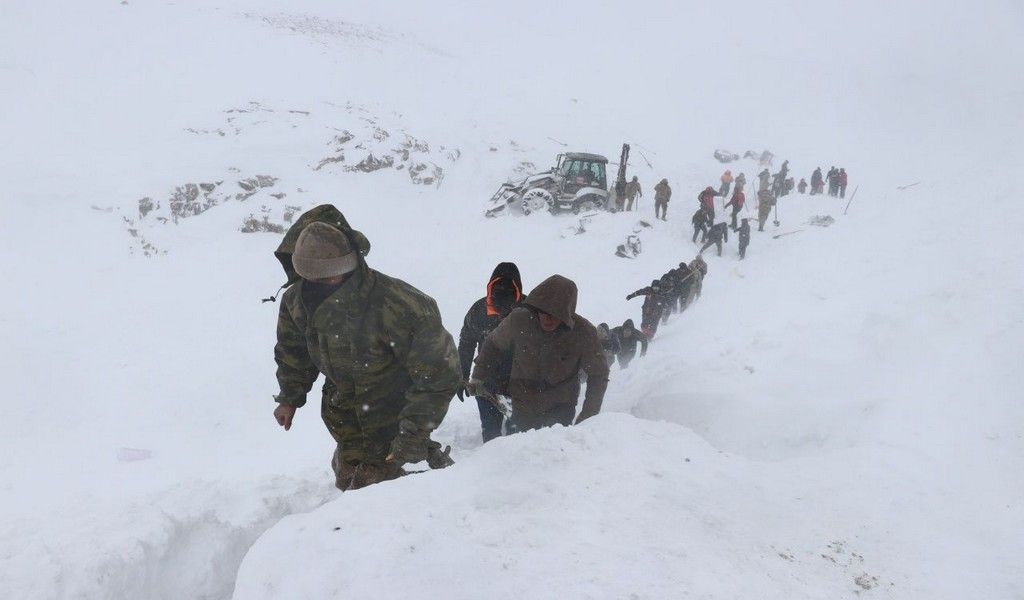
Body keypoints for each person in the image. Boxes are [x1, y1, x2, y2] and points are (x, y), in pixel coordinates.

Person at [272, 210, 461, 491]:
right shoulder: (296, 301)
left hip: (398, 426)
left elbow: (439, 376)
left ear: (351, 264)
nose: (321, 286)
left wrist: (412, 436)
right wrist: (290, 397)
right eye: (312, 278)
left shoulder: (401, 305)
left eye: (331, 277)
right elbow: (294, 352)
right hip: (345, 423)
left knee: (403, 504)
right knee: (352, 490)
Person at [466, 275, 609, 431]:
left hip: (561, 406)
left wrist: (588, 417)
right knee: (521, 449)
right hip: (523, 403)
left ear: (565, 314)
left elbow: (599, 373)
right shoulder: (519, 319)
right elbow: (493, 345)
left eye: (554, 315)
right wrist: (478, 377)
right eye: (543, 312)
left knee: (554, 450)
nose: (547, 319)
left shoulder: (583, 332)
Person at [458, 262, 524, 443]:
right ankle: (490, 465)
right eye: (497, 291)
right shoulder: (478, 311)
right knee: (490, 433)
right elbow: (466, 343)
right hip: (486, 383)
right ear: (490, 288)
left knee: (518, 435)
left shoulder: (528, 310)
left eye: (509, 292)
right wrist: (462, 376)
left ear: (517, 292)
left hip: (519, 385)